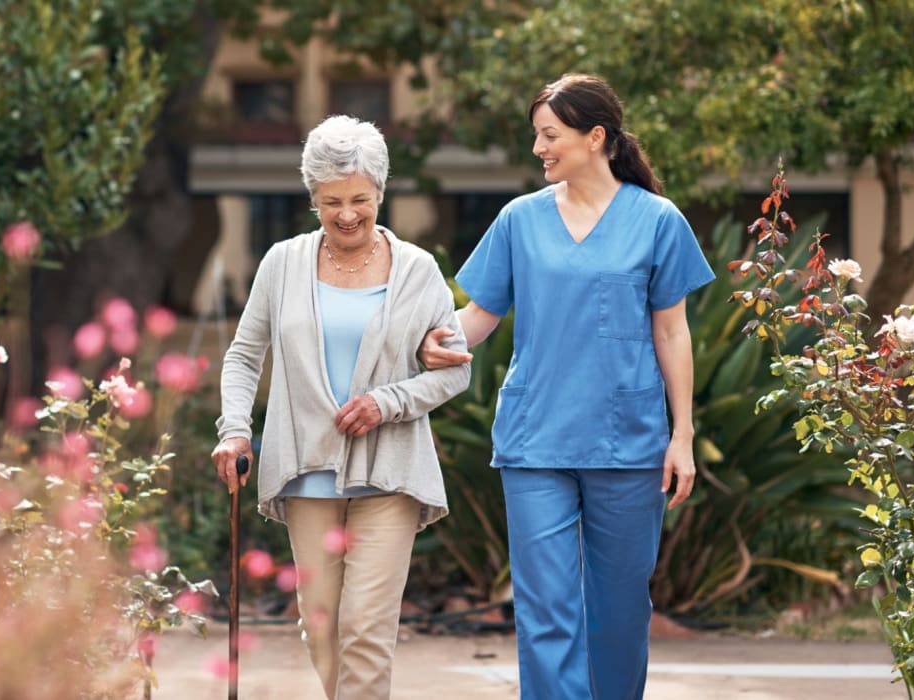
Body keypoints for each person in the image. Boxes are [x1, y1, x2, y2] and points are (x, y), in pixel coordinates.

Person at [419, 74, 715, 699]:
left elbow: (672, 334)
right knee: (545, 612)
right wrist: (429, 343)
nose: (539, 150)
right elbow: (477, 316)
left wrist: (682, 435)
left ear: (595, 137)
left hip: (628, 442)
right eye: (537, 137)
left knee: (620, 613)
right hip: (536, 441)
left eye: (549, 136)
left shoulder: (657, 220)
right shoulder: (518, 220)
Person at [212, 114, 470, 700]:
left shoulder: (417, 270)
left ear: (380, 191)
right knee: (322, 627)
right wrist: (234, 431)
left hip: (390, 472)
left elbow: (455, 374)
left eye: (360, 199)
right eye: (331, 202)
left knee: (367, 629)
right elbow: (243, 356)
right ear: (313, 199)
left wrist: (388, 402)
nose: (347, 214)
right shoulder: (282, 264)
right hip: (306, 472)